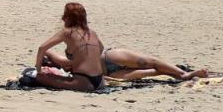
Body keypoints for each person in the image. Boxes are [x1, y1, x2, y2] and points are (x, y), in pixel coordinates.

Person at [31, 3, 107, 92]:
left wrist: (39, 70)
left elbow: (42, 48)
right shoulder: (92, 33)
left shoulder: (67, 32)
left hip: (83, 82)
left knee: (39, 77)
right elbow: (101, 49)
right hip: (100, 82)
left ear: (67, 17)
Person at [42, 42, 209, 82]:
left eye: (47, 64)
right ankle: (183, 75)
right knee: (149, 72)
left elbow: (45, 50)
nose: (49, 66)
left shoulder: (62, 61)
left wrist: (40, 64)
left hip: (109, 57)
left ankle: (183, 74)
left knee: (150, 62)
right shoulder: (64, 71)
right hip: (110, 73)